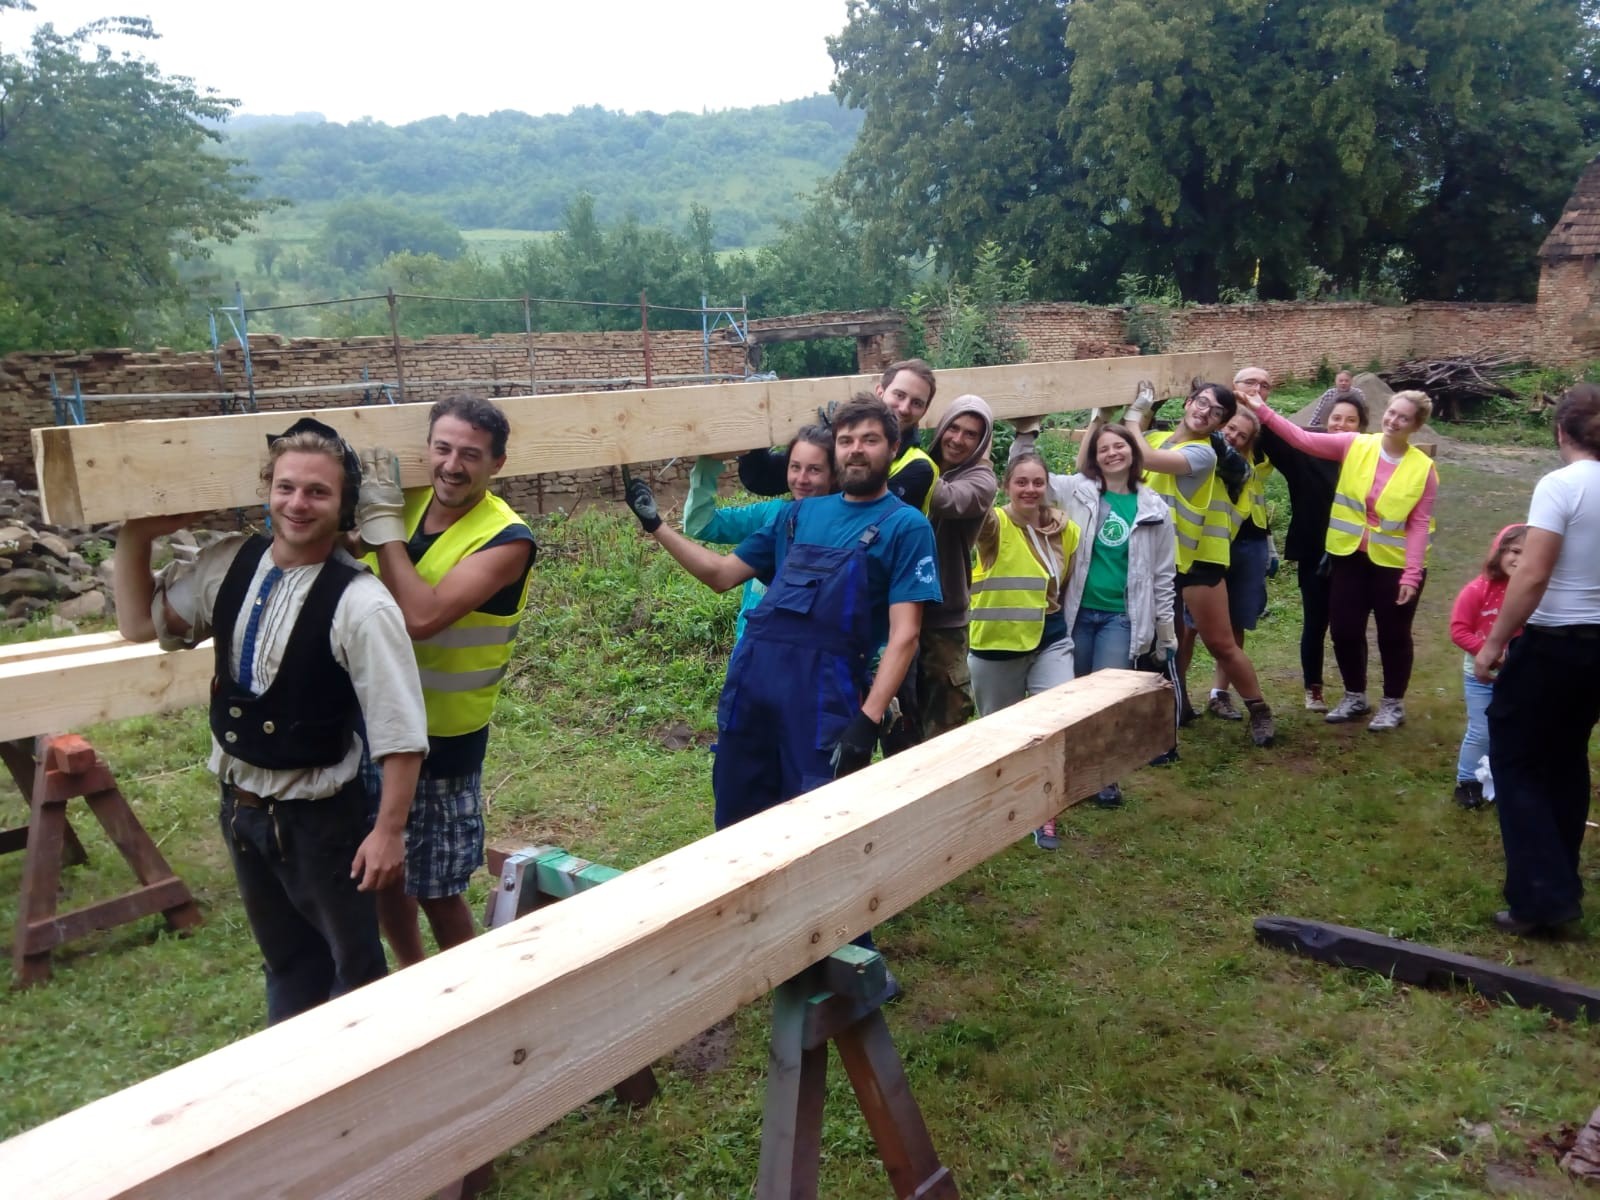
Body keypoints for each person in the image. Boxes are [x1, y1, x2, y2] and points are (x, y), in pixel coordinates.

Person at [113, 417, 428, 1024]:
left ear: (343, 505)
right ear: (268, 490)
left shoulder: (362, 604)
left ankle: (367, 1077)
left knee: (355, 974)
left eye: (318, 492)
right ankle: (292, 1073)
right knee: (287, 964)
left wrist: (388, 832)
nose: (298, 503)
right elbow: (136, 623)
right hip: (241, 811)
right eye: (286, 487)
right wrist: (137, 532)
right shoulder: (228, 565)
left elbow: (401, 732)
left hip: (321, 820)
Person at [622, 393, 940, 832]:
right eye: (846, 440)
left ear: (892, 447)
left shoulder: (906, 526)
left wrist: (868, 720)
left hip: (824, 703)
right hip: (753, 691)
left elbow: (905, 635)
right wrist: (655, 525)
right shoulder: (797, 515)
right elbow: (721, 574)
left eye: (870, 440)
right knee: (738, 819)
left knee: (814, 826)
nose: (856, 450)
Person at [354, 397, 536, 966]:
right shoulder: (404, 504)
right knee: (384, 873)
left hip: (443, 739)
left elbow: (423, 616)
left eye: (470, 455)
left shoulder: (507, 539)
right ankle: (413, 976)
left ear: (496, 464)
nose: (452, 465)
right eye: (442, 449)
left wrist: (382, 531)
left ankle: (472, 993)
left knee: (437, 887)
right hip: (373, 725)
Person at [1475, 383, 1600, 936]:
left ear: (1560, 431)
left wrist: (1494, 643)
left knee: (1518, 759)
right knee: (1566, 756)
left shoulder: (1562, 484)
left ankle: (1541, 899)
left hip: (1556, 642)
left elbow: (1533, 572)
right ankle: (1559, 883)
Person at [1010, 418, 1177, 821]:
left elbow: (1163, 575)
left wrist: (1165, 631)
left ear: (1133, 451)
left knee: (1106, 698)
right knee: (1071, 696)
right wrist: (1025, 432)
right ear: (1094, 457)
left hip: (1121, 617)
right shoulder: (1077, 491)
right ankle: (1068, 772)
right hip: (1078, 612)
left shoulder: (1154, 507)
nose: (1112, 453)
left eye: (1120, 446)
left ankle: (1104, 777)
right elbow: (1027, 475)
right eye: (1104, 448)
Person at [1246, 388, 1438, 731]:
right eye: (1392, 412)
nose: (1394, 420)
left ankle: (1392, 703)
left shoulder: (1423, 469)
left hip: (1394, 564)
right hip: (1348, 555)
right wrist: (1262, 409)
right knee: (1345, 629)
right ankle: (1355, 696)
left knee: (1393, 636)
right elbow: (1302, 439)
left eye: (1404, 418)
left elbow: (1419, 524)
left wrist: (1411, 575)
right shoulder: (1356, 445)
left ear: (1416, 425)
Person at [1121, 380, 1276, 746]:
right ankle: (1176, 707)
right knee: (1168, 643)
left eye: (1216, 412)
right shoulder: (1158, 438)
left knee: (1221, 643)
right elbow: (1129, 451)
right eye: (1202, 403)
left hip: (1199, 560)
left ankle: (1259, 710)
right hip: (1161, 563)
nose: (1205, 412)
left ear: (1218, 425)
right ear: (1188, 402)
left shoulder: (1205, 453)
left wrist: (1134, 414)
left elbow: (1144, 457)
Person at [967, 449, 1080, 767]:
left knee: (1060, 717)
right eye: (1021, 482)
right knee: (1000, 736)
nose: (1030, 489)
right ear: (1006, 486)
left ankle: (1048, 788)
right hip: (998, 645)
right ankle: (1004, 790)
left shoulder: (1067, 531)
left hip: (1051, 638)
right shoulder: (994, 525)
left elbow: (1064, 585)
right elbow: (978, 507)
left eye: (1038, 482)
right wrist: (982, 456)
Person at [1258, 392, 1370, 712]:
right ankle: (1313, 689)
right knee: (1315, 622)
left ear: (1361, 426)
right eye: (1336, 418)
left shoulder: (1369, 458)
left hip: (1356, 555)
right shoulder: (1305, 454)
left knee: (1351, 626)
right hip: (1313, 552)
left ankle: (1356, 691)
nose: (1341, 425)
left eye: (1351, 420)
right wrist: (1254, 403)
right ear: (1325, 420)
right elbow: (1272, 438)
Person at [685, 424, 837, 641]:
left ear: (834, 475)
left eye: (814, 470)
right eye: (795, 467)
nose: (802, 479)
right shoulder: (771, 514)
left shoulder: (845, 528)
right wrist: (709, 462)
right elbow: (701, 524)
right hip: (750, 649)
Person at [738, 359, 940, 515]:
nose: (904, 408)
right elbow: (762, 479)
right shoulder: (838, 441)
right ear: (880, 392)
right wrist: (760, 413)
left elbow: (864, 518)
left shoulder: (918, 467)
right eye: (899, 395)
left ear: (925, 410)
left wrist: (833, 445)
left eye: (917, 403)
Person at [918, 395, 998, 740]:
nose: (958, 439)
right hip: (897, 611)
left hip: (943, 619)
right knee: (902, 721)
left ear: (981, 441)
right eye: (954, 427)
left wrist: (898, 451)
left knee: (944, 722)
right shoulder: (919, 462)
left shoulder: (981, 479)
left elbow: (948, 500)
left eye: (971, 434)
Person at [1204, 395, 1276, 721]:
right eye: (1230, 428)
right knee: (1190, 626)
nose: (1233, 436)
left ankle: (1219, 693)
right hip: (1209, 543)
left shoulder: (1253, 463)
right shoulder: (1204, 449)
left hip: (1248, 544)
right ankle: (1179, 699)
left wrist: (1270, 549)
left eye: (1242, 435)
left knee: (1235, 623)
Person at [1450, 525, 1526, 809]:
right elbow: (1459, 631)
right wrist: (1490, 654)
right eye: (1515, 551)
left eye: (1528, 554)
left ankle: (1506, 779)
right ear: (1498, 552)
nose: (1520, 559)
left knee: (1515, 729)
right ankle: (1468, 780)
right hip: (1480, 677)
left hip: (1520, 675)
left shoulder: (1531, 593)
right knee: (1481, 730)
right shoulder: (1476, 590)